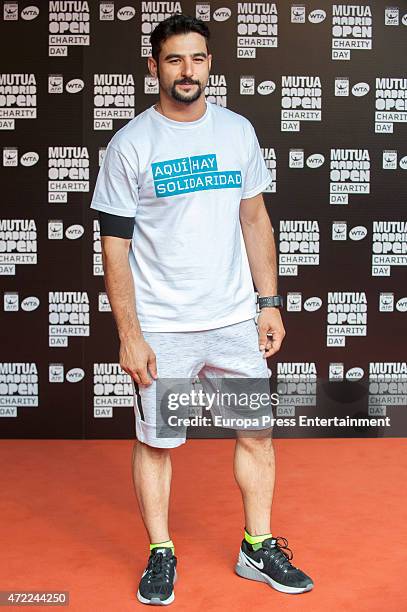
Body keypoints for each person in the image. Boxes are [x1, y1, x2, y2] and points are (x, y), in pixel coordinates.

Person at [90, 13, 313, 606]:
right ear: (153, 66)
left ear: (210, 64)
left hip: (233, 320)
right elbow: (114, 242)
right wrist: (130, 334)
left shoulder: (237, 131)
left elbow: (254, 219)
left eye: (197, 59)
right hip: (165, 328)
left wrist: (268, 302)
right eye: (173, 60)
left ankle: (256, 545)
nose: (187, 71)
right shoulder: (131, 143)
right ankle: (160, 551)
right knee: (159, 442)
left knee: (257, 435)